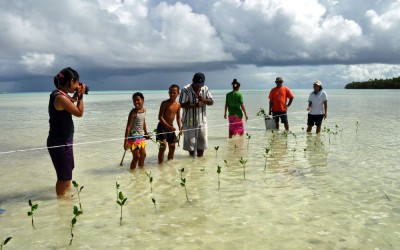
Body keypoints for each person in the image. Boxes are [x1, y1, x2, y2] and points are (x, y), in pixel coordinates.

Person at [47, 67, 86, 197]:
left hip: (63, 140)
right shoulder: (60, 98)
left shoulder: (59, 95)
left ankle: (65, 201)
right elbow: (79, 113)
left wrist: (76, 96)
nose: (77, 86)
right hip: (59, 142)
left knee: (67, 171)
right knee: (63, 176)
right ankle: (61, 202)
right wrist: (81, 97)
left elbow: (70, 102)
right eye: (76, 83)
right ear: (71, 82)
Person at [179, 72, 213, 157]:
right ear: (193, 82)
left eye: (200, 85)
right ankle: (192, 160)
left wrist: (204, 100)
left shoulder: (205, 88)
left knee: (202, 143)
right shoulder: (185, 89)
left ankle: (199, 162)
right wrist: (195, 105)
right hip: (189, 121)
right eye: (196, 84)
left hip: (202, 121)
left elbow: (211, 101)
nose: (198, 86)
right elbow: (181, 104)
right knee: (190, 145)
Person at [156, 84, 182, 164]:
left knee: (172, 146)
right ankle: (160, 165)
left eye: (174, 92)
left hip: (170, 127)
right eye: (170, 92)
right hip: (162, 126)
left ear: (178, 93)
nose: (172, 94)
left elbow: (178, 118)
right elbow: (160, 117)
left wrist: (180, 127)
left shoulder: (178, 105)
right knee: (163, 146)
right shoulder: (164, 103)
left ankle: (170, 164)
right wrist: (167, 126)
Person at [124, 92, 148, 170]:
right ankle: (132, 172)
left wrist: (146, 132)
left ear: (143, 100)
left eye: (138, 100)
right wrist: (126, 141)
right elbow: (128, 127)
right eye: (134, 101)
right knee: (136, 157)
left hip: (141, 137)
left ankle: (141, 172)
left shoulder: (144, 110)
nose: (136, 102)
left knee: (143, 155)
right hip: (133, 137)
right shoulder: (133, 112)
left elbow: (143, 122)